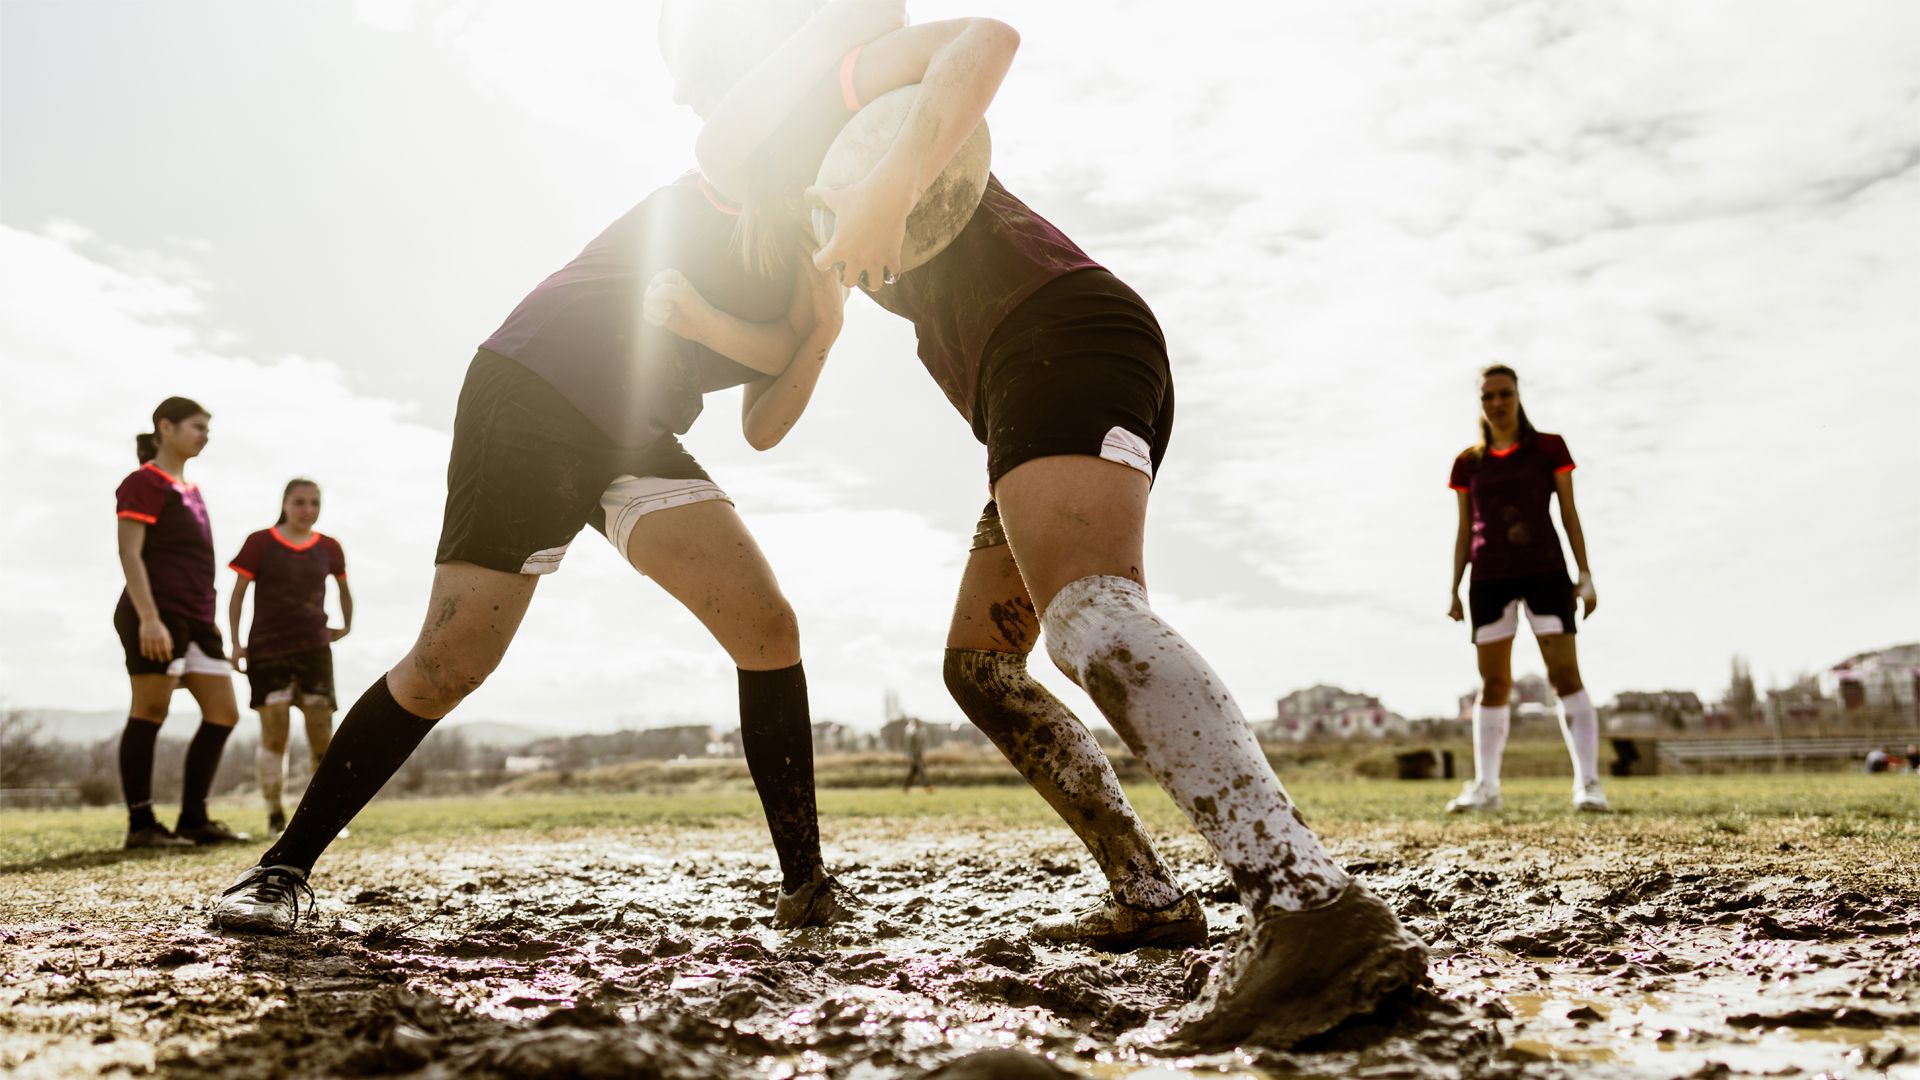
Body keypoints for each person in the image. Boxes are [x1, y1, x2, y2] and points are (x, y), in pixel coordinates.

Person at [661, 1, 1428, 1048]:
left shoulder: (836, 79)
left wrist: (890, 184)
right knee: (980, 667)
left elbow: (984, 42)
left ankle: (1309, 908)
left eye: (692, 64)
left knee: (1094, 622)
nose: (688, 96)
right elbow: (800, 362)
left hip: (1061, 333)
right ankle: (1146, 893)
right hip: (1017, 386)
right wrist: (709, 329)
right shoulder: (787, 187)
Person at [203, 14, 895, 925]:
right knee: (453, 662)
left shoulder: (824, 258)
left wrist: (824, 332)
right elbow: (848, 39)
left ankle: (806, 888)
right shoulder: (738, 170)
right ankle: (280, 871)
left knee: (767, 627)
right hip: (535, 389)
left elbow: (766, 424)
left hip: (632, 430)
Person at [1445, 364, 1607, 814]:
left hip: (1545, 572)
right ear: (1481, 403)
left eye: (1505, 394)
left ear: (1517, 396)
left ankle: (1589, 785)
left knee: (1564, 677)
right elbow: (1463, 531)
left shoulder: (1549, 448)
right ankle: (1486, 789)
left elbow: (1570, 514)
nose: (1497, 403)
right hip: (1489, 579)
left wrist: (1586, 574)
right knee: (1493, 683)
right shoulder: (1468, 463)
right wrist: (1454, 589)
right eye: (1488, 396)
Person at [113, 397, 249, 848]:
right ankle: (141, 826)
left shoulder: (190, 488)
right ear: (164, 428)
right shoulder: (143, 482)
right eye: (196, 426)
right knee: (150, 710)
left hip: (197, 621)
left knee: (224, 713)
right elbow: (129, 553)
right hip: (156, 615)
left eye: (208, 428)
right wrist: (150, 619)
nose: (204, 435)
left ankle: (194, 819)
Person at [228, 479, 351, 835]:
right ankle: (275, 815)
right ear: (285, 503)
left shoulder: (330, 547)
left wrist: (346, 626)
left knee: (321, 735)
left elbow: (344, 590)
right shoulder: (260, 542)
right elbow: (237, 596)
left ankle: (323, 816)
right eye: (300, 502)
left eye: (314, 503)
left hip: (314, 649)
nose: (307, 510)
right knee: (275, 734)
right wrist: (237, 643)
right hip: (268, 649)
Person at [900, 716, 931, 792]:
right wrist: (909, 756)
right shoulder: (911, 733)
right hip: (915, 756)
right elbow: (909, 746)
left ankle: (906, 787)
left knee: (913, 772)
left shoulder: (921, 732)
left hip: (919, 755)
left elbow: (923, 744)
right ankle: (928, 787)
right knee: (922, 771)